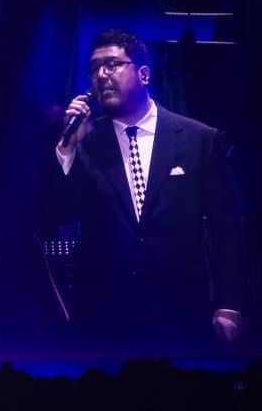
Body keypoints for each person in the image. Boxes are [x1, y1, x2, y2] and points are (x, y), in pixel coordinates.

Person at [50, 29, 244, 349]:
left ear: (143, 74)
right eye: (94, 68)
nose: (101, 75)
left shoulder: (198, 139)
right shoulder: (85, 141)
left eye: (112, 64)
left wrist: (229, 303)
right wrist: (68, 148)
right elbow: (59, 213)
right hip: (104, 316)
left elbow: (226, 229)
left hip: (181, 310)